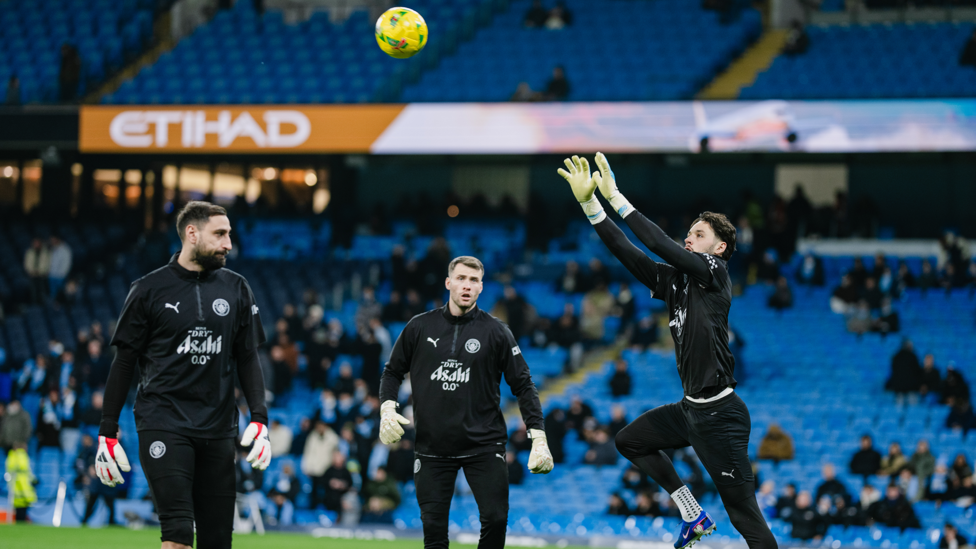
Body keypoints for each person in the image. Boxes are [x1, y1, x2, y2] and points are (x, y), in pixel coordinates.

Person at [558, 153, 777, 549]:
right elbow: (628, 252)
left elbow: (658, 242)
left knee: (746, 517)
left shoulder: (715, 272)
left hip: (721, 415)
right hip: (692, 410)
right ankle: (691, 512)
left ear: (720, 246)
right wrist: (590, 204)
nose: (689, 237)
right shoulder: (676, 281)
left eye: (699, 233)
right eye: (689, 232)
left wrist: (618, 198)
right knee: (629, 441)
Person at [95, 201, 271, 549]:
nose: (228, 244)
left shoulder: (237, 288)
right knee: (177, 532)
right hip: (163, 421)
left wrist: (260, 418)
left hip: (219, 427)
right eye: (220, 234)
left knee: (218, 539)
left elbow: (248, 357)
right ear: (192, 233)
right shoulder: (147, 289)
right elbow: (124, 362)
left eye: (229, 235)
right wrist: (107, 431)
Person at [378, 255, 553, 549]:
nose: (466, 286)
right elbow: (392, 372)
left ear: (481, 288)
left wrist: (539, 436)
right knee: (434, 535)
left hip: (484, 445)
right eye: (460, 279)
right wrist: (386, 409)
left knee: (496, 521)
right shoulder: (419, 327)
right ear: (448, 283)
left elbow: (523, 385)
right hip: (432, 448)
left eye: (473, 280)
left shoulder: (497, 331)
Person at [6, 442, 37, 522]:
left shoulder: (12, 456)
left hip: (17, 490)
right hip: (24, 489)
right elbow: (27, 471)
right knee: (22, 512)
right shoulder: (22, 456)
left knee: (19, 512)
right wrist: (34, 480)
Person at [24, 238, 51, 304]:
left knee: (42, 292)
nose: (36, 245)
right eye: (35, 243)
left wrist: (40, 271)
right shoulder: (29, 252)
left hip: (42, 275)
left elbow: (47, 264)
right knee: (34, 292)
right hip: (32, 275)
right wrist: (31, 271)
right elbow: (27, 264)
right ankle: (35, 305)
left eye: (37, 243)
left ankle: (43, 305)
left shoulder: (45, 252)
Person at [48, 235, 72, 301]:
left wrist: (62, 274)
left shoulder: (65, 249)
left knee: (61, 294)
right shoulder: (52, 249)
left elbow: (66, 264)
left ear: (57, 240)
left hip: (60, 276)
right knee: (53, 295)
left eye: (53, 240)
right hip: (52, 275)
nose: (52, 242)